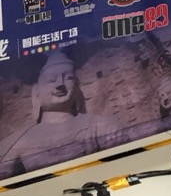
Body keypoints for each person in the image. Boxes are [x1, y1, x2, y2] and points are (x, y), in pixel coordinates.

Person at [0, 51, 126, 179]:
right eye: (51, 80)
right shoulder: (17, 142)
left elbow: (124, 165)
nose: (60, 84)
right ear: (37, 91)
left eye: (69, 78)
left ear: (77, 87)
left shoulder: (100, 126)